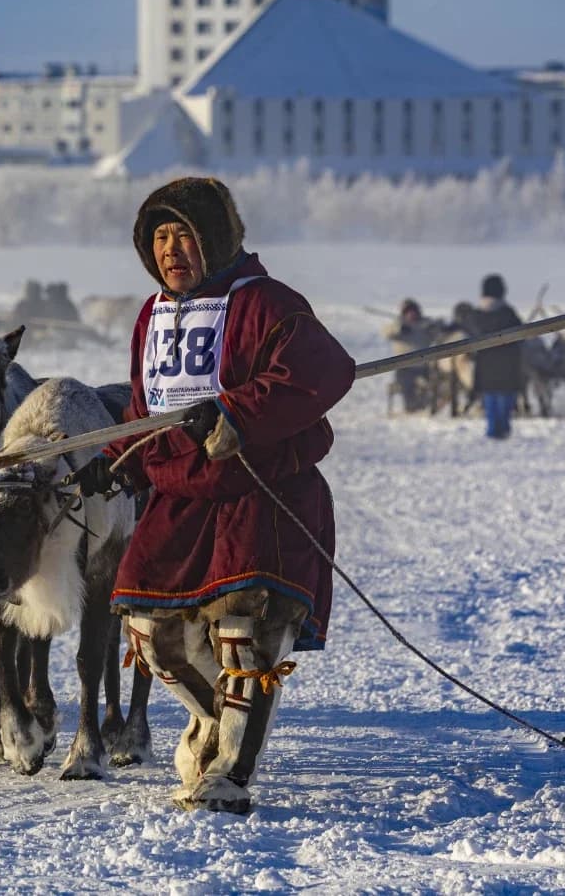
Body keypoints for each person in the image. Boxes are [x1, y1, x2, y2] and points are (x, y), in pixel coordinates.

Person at [75, 177, 355, 814]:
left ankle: (230, 771)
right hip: (179, 499)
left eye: (184, 235)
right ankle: (214, 718)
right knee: (150, 634)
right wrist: (119, 464)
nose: (171, 249)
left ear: (216, 238)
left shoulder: (267, 303)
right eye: (160, 237)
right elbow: (152, 414)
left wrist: (238, 416)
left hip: (258, 494)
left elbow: (322, 371)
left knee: (243, 637)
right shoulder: (152, 315)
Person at [459, 274, 525, 439]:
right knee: (505, 399)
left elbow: (468, 334)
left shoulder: (476, 315)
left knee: (490, 399)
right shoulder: (508, 312)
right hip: (508, 364)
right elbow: (521, 334)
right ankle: (503, 430)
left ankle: (492, 431)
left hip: (485, 363)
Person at [384, 298, 443, 412]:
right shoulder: (399, 324)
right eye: (408, 312)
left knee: (437, 383)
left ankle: (427, 405)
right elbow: (386, 332)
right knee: (407, 386)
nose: (412, 314)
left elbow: (439, 334)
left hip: (424, 367)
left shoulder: (425, 324)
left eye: (413, 311)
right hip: (404, 368)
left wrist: (434, 329)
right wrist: (399, 328)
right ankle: (412, 407)